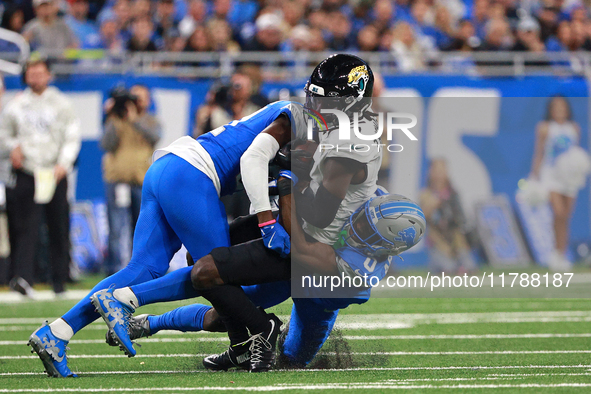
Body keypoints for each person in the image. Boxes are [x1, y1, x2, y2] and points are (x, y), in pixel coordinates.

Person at [91, 54, 383, 372]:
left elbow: (312, 227)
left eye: (324, 99)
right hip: (303, 238)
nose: (314, 105)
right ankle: (152, 324)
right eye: (312, 95)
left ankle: (135, 301)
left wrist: (284, 188)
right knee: (221, 290)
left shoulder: (351, 148)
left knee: (222, 285)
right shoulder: (333, 129)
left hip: (324, 264)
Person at [27, 74, 310, 378]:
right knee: (214, 272)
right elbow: (253, 159)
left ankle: (58, 332)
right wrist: (267, 221)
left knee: (142, 269)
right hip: (195, 175)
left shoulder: (298, 123)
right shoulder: (298, 119)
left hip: (167, 168)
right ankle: (129, 300)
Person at [103, 192, 426, 370]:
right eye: (364, 220)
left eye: (367, 232)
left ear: (386, 248)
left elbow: (305, 251)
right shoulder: (368, 198)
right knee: (224, 304)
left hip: (317, 292)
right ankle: (149, 323)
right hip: (299, 260)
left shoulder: (360, 272)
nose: (357, 227)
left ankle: (148, 319)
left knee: (292, 361)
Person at [0, 59, 81, 296]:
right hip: (27, 171)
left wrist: (64, 163)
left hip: (54, 172)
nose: (36, 77)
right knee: (24, 227)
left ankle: (60, 280)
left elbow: (71, 136)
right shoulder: (17, 105)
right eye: (31, 73)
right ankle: (24, 279)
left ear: (49, 75)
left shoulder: (62, 104)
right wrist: (12, 147)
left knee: (58, 227)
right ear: (26, 77)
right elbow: (4, 134)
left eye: (40, 73)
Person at [101, 85, 162, 276]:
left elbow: (155, 138)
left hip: (142, 180)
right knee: (116, 228)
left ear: (148, 100)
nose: (136, 101)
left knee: (142, 227)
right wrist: (111, 116)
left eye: (141, 97)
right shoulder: (115, 119)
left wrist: (135, 119)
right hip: (117, 180)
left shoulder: (150, 121)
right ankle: (113, 269)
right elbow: (106, 144)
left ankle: (143, 266)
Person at [530, 96, 581, 270]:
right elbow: (539, 153)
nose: (559, 110)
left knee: (566, 216)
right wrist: (534, 176)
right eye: (556, 107)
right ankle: (554, 252)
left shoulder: (574, 128)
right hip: (551, 175)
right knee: (558, 212)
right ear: (550, 110)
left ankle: (561, 253)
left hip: (569, 177)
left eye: (562, 107)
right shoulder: (544, 128)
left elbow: (575, 153)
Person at [420, 159, 476, 275]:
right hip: (438, 245)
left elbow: (460, 221)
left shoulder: (453, 194)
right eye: (437, 170)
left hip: (456, 243)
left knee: (468, 268)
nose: (440, 173)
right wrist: (434, 204)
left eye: (442, 170)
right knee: (448, 269)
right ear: (431, 172)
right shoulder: (426, 194)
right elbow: (424, 220)